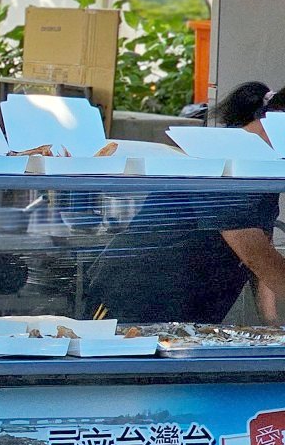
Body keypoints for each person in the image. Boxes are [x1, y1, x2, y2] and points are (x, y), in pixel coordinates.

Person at [84, 81, 285, 324]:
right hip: (135, 298)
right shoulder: (227, 155)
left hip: (193, 308)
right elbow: (253, 250)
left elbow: (262, 249)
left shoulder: (264, 164)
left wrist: (272, 324)